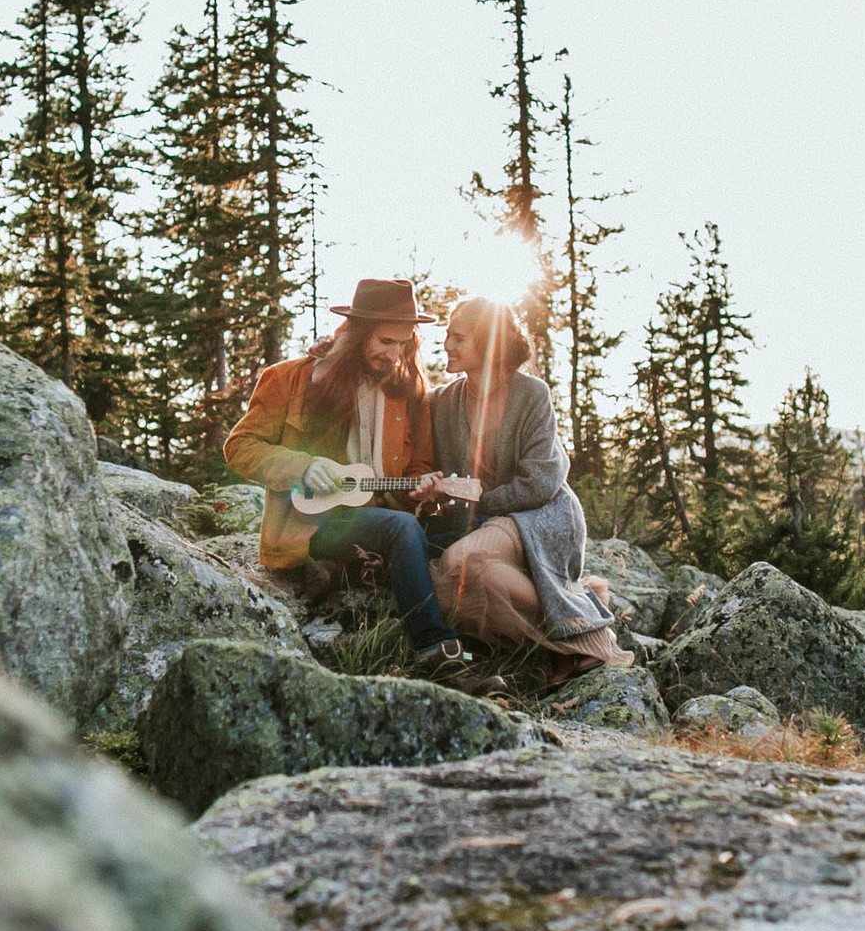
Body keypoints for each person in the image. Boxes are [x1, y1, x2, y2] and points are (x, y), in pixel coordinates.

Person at [224, 278, 478, 678]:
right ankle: (436, 650)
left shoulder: (409, 394)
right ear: (358, 334)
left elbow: (416, 469)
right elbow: (240, 447)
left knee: (459, 530)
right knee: (401, 529)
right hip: (312, 525)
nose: (395, 355)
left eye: (404, 343)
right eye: (385, 342)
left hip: (375, 519)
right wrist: (301, 467)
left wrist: (424, 487)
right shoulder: (290, 379)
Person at [423, 295, 634, 687]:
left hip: (541, 517)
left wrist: (480, 499)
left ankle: (589, 633)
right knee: (443, 581)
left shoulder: (532, 394)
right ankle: (579, 610)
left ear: (488, 346)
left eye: (459, 338)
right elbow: (399, 393)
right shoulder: (443, 400)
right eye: (447, 336)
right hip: (488, 520)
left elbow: (540, 482)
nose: (447, 345)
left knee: (460, 565)